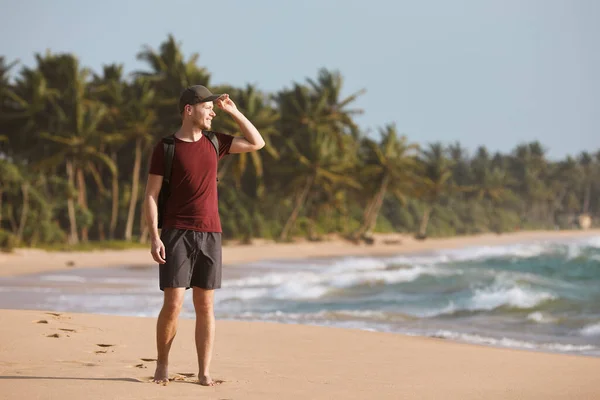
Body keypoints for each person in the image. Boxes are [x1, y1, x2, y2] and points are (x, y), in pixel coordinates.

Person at [143, 85, 265, 386]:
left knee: (205, 306)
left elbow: (256, 142)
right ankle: (162, 365)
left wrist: (233, 111)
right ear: (189, 109)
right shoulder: (166, 147)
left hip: (211, 232)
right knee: (173, 304)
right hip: (175, 233)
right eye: (208, 107)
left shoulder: (216, 142)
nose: (212, 111)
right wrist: (153, 236)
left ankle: (204, 371)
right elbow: (151, 195)